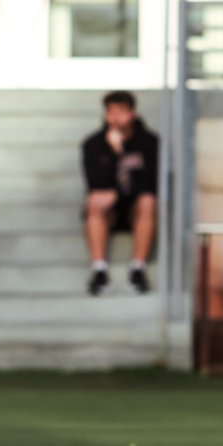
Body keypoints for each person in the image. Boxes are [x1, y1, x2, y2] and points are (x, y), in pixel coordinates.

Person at [81, 90, 158, 294]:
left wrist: (118, 193)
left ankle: (138, 268)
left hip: (135, 208)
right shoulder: (93, 144)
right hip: (109, 211)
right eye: (111, 112)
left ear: (132, 114)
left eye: (121, 112)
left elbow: (152, 183)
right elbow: (94, 183)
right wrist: (116, 153)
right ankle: (99, 270)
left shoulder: (149, 142)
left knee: (148, 201)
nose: (115, 118)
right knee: (93, 201)